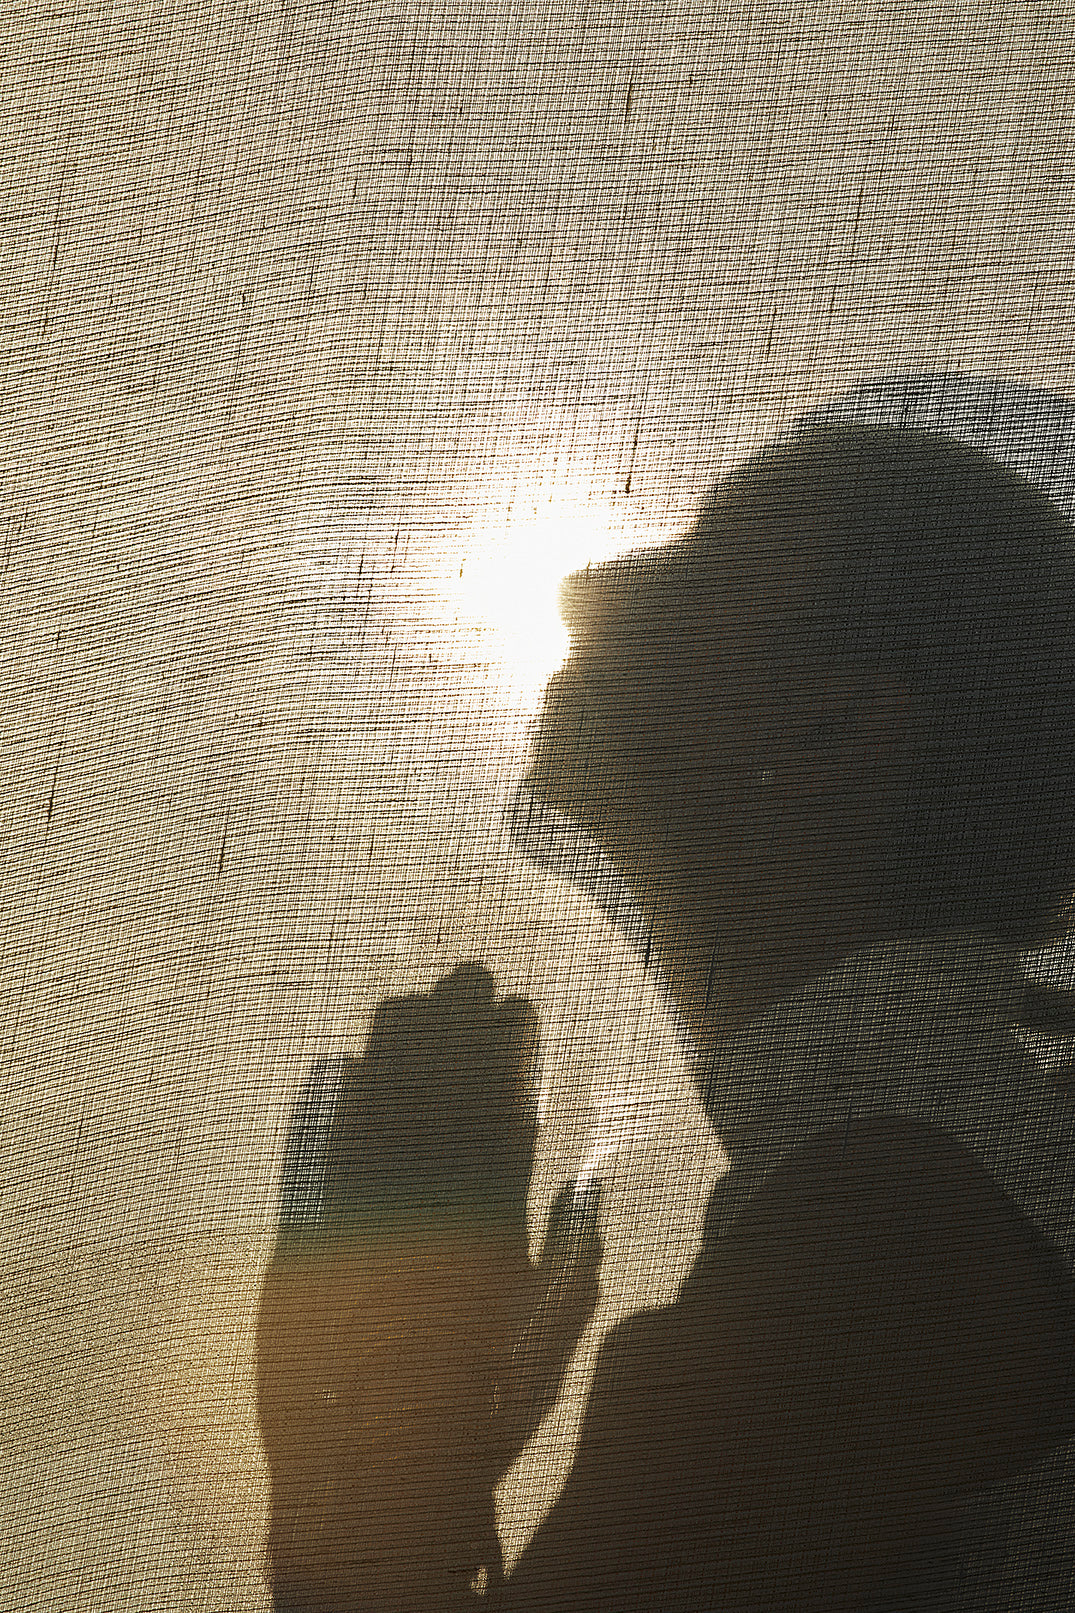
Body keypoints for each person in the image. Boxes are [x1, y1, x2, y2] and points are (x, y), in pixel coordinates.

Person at [258, 416, 1075, 1610]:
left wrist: (387, 1421)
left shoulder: (882, 1222)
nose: (584, 580)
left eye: (705, 559)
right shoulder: (909, 1159)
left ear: (829, 732)